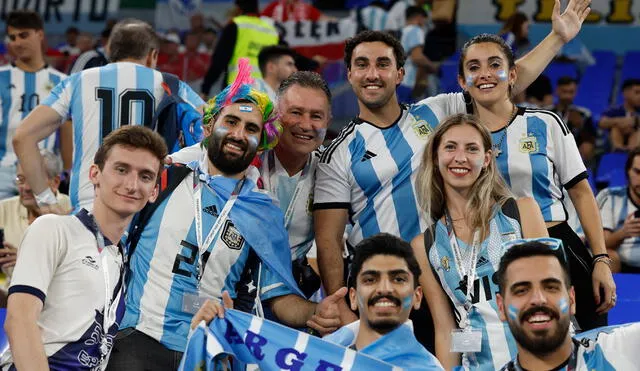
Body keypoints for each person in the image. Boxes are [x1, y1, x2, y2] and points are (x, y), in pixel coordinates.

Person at [313, 0, 592, 331]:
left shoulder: (435, 112)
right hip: (388, 286)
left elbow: (497, 85)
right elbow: (329, 243)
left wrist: (557, 39)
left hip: (449, 272)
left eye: (383, 64)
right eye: (362, 65)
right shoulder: (338, 152)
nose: (372, 74)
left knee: (456, 350)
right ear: (349, 74)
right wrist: (341, 308)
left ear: (400, 73)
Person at [108, 60, 342, 371]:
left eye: (251, 129)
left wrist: (314, 311)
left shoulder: (264, 214)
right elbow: (107, 234)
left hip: (211, 352)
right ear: (208, 126)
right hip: (138, 339)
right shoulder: (165, 177)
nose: (238, 134)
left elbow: (279, 299)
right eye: (230, 122)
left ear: (262, 143)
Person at [457, 32, 615, 331]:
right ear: (462, 81)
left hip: (559, 245)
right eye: (474, 67)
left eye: (495, 64)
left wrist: (601, 259)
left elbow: (582, 193)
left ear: (513, 74)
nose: (486, 74)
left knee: (589, 341)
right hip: (488, 256)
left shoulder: (546, 122)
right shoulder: (456, 136)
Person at [0, 126, 167, 370]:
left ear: (153, 192)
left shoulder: (119, 258)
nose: (132, 184)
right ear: (94, 174)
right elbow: (19, 320)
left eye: (145, 176)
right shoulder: (54, 230)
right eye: (121, 170)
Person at [13, 18, 205, 213]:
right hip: (146, 210)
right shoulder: (171, 85)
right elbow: (212, 132)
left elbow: (23, 137)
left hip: (89, 208)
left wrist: (46, 201)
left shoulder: (77, 82)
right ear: (152, 55)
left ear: (109, 50)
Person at [409, 113, 547, 369]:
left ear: (486, 160)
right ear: (436, 158)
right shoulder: (424, 245)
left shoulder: (522, 213)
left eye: (471, 149)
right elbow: (445, 329)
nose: (460, 157)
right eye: (450, 147)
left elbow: (553, 295)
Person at [190, 232, 444, 370]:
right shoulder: (305, 356)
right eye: (370, 279)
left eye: (398, 279)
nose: (385, 289)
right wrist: (224, 340)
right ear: (353, 298)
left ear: (418, 296)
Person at [496, 238, 640, 371]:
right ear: (501, 307)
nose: (538, 299)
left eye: (551, 287)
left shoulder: (624, 348)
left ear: (572, 299)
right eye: (522, 291)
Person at [0, 10, 69, 200]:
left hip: (44, 170)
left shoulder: (62, 81)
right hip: (3, 171)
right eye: (13, 37)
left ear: (39, 35)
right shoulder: (1, 77)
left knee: (43, 227)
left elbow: (67, 131)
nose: (17, 43)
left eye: (23, 35)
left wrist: (68, 172)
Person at [0, 150, 71, 284]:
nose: (25, 188)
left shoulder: (70, 210)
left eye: (33, 180)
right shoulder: (4, 208)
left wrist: (25, 258)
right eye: (20, 180)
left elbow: (76, 264)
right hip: (11, 294)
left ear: (55, 182)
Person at [201, 0, 279, 96]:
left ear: (238, 8)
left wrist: (205, 88)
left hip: (239, 91)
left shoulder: (235, 26)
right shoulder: (271, 30)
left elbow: (219, 60)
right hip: (268, 93)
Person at [597, 147, 640, 273]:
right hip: (621, 264)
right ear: (627, 172)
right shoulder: (610, 197)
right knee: (608, 257)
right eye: (637, 172)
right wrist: (624, 233)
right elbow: (601, 245)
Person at [548, 76, 596, 168]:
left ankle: (578, 172)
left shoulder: (584, 114)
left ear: (575, 92)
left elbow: (590, 139)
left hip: (575, 153)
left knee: (587, 147)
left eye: (571, 92)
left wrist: (580, 126)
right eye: (564, 92)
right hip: (550, 148)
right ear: (557, 91)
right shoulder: (545, 112)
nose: (567, 96)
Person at [398, 5, 439, 104]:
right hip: (407, 81)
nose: (425, 23)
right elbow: (417, 57)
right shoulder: (416, 30)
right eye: (425, 19)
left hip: (397, 81)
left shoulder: (401, 32)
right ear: (419, 17)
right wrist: (432, 67)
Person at [599, 78, 640, 152]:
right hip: (613, 142)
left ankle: (634, 151)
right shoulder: (614, 111)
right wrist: (624, 122)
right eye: (637, 92)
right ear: (625, 93)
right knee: (615, 128)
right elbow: (601, 123)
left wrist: (635, 121)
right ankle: (619, 152)